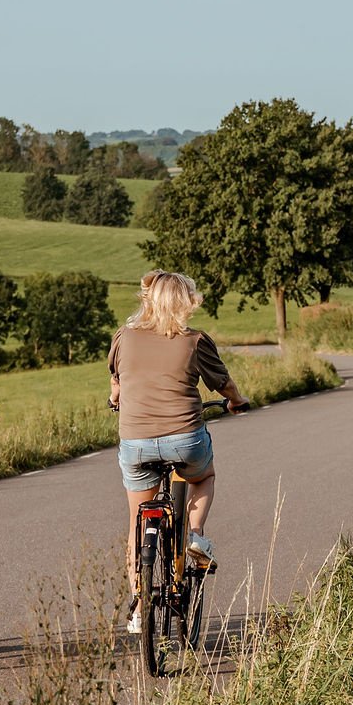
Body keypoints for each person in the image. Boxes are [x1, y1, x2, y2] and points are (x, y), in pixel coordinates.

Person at [108, 270, 248, 633]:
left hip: (135, 442)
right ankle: (194, 536)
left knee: (137, 522)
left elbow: (116, 384)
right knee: (205, 476)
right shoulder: (195, 341)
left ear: (148, 301)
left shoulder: (123, 337)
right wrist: (236, 400)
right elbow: (224, 383)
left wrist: (115, 399)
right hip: (184, 439)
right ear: (186, 303)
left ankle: (139, 608)